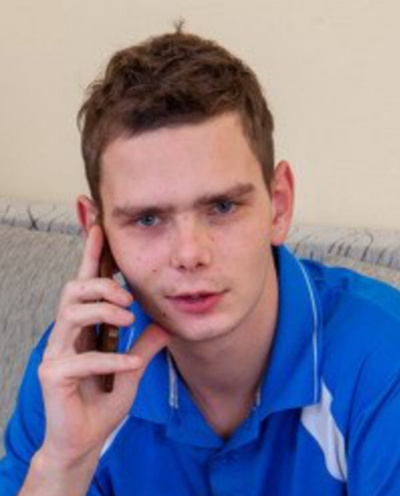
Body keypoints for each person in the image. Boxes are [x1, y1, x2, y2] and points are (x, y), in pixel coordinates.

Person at [1, 26, 400, 496]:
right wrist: (66, 462)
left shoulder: (382, 358)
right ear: (97, 231)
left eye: (223, 207)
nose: (190, 254)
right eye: (148, 218)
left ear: (279, 205)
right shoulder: (73, 369)